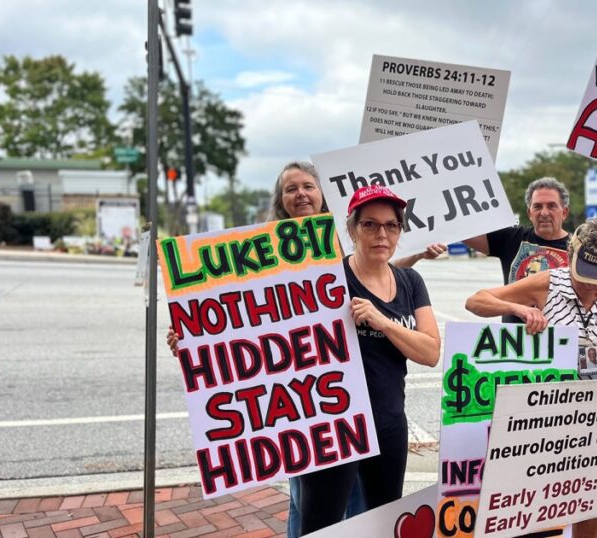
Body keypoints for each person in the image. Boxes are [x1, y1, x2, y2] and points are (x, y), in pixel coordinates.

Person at [168, 164, 441, 535]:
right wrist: (197, 336)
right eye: (370, 224)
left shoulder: (411, 281)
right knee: (318, 527)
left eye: (391, 225)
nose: (381, 233)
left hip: (389, 425)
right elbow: (256, 319)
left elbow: (429, 352)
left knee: (381, 525)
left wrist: (383, 321)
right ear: (351, 229)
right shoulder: (325, 277)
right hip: (332, 427)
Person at [465, 218, 597, 538]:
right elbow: (476, 301)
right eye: (584, 275)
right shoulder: (549, 282)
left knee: (590, 501)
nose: (590, 285)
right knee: (541, 507)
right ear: (571, 256)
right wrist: (520, 311)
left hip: (594, 413)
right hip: (547, 415)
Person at [463, 177, 572, 321]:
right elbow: (461, 231)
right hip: (514, 340)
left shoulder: (578, 248)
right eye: (537, 207)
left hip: (559, 340)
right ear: (529, 213)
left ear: (564, 212)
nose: (544, 213)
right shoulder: (512, 238)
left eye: (551, 206)